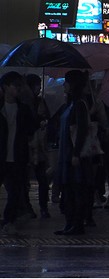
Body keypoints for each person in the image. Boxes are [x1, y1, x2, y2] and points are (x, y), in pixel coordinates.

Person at [54, 70, 94, 235]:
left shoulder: (79, 104)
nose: (64, 85)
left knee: (76, 190)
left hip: (74, 155)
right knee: (69, 190)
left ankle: (77, 224)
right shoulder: (70, 103)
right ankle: (70, 223)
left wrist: (76, 153)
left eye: (66, 82)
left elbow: (82, 130)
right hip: (67, 154)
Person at [0, 71, 35, 234]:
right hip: (2, 155)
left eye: (20, 86)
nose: (18, 90)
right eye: (15, 86)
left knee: (14, 192)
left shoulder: (24, 109)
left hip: (17, 157)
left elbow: (30, 130)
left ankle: (9, 220)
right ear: (6, 87)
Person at [25, 73, 51, 218]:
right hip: (29, 145)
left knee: (42, 178)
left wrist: (44, 118)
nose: (38, 88)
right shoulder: (25, 103)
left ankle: (43, 207)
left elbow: (47, 117)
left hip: (39, 146)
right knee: (26, 179)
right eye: (37, 85)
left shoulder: (41, 101)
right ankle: (28, 206)